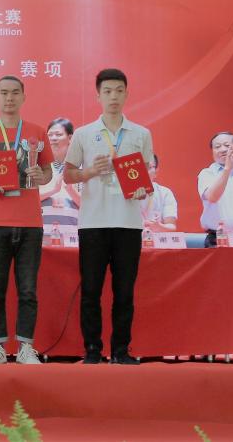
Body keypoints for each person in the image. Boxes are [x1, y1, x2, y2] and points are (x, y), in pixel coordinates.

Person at [64, 68, 154, 365]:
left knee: (124, 292)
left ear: (127, 94)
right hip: (93, 223)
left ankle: (120, 351)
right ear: (98, 96)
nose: (113, 96)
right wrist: (90, 171)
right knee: (91, 290)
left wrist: (142, 189)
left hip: (129, 223)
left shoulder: (141, 134)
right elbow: (68, 174)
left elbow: (146, 177)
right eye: (107, 91)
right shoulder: (83, 134)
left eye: (118, 91)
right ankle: (92, 350)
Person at [0, 76, 53, 365]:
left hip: (30, 222)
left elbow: (47, 172)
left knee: (28, 290)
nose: (9, 98)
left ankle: (26, 347)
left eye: (15, 93)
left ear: (24, 97)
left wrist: (41, 176)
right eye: (4, 93)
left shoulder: (37, 132)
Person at [39, 118, 82, 232]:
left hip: (72, 230)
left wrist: (70, 190)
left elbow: (89, 206)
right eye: (50, 135)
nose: (53, 138)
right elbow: (28, 201)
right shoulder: (38, 166)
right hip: (43, 230)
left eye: (58, 134)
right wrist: (53, 191)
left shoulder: (80, 167)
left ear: (70, 138)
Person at [142, 154, 178, 232]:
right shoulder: (121, 195)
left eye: (149, 167)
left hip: (155, 237)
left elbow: (171, 227)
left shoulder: (165, 193)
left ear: (156, 171)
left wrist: (159, 226)